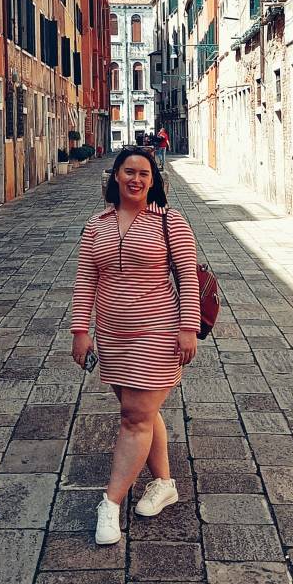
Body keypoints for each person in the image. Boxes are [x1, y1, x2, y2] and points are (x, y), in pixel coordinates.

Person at [71, 146, 200, 546]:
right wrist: (80, 330)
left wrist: (188, 327)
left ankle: (110, 503)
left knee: (134, 417)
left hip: (160, 334)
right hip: (113, 336)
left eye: (145, 174)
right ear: (115, 176)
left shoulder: (169, 222)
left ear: (154, 181)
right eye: (129, 172)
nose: (137, 179)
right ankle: (164, 483)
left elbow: (189, 278)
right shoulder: (97, 225)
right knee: (143, 411)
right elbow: (86, 280)